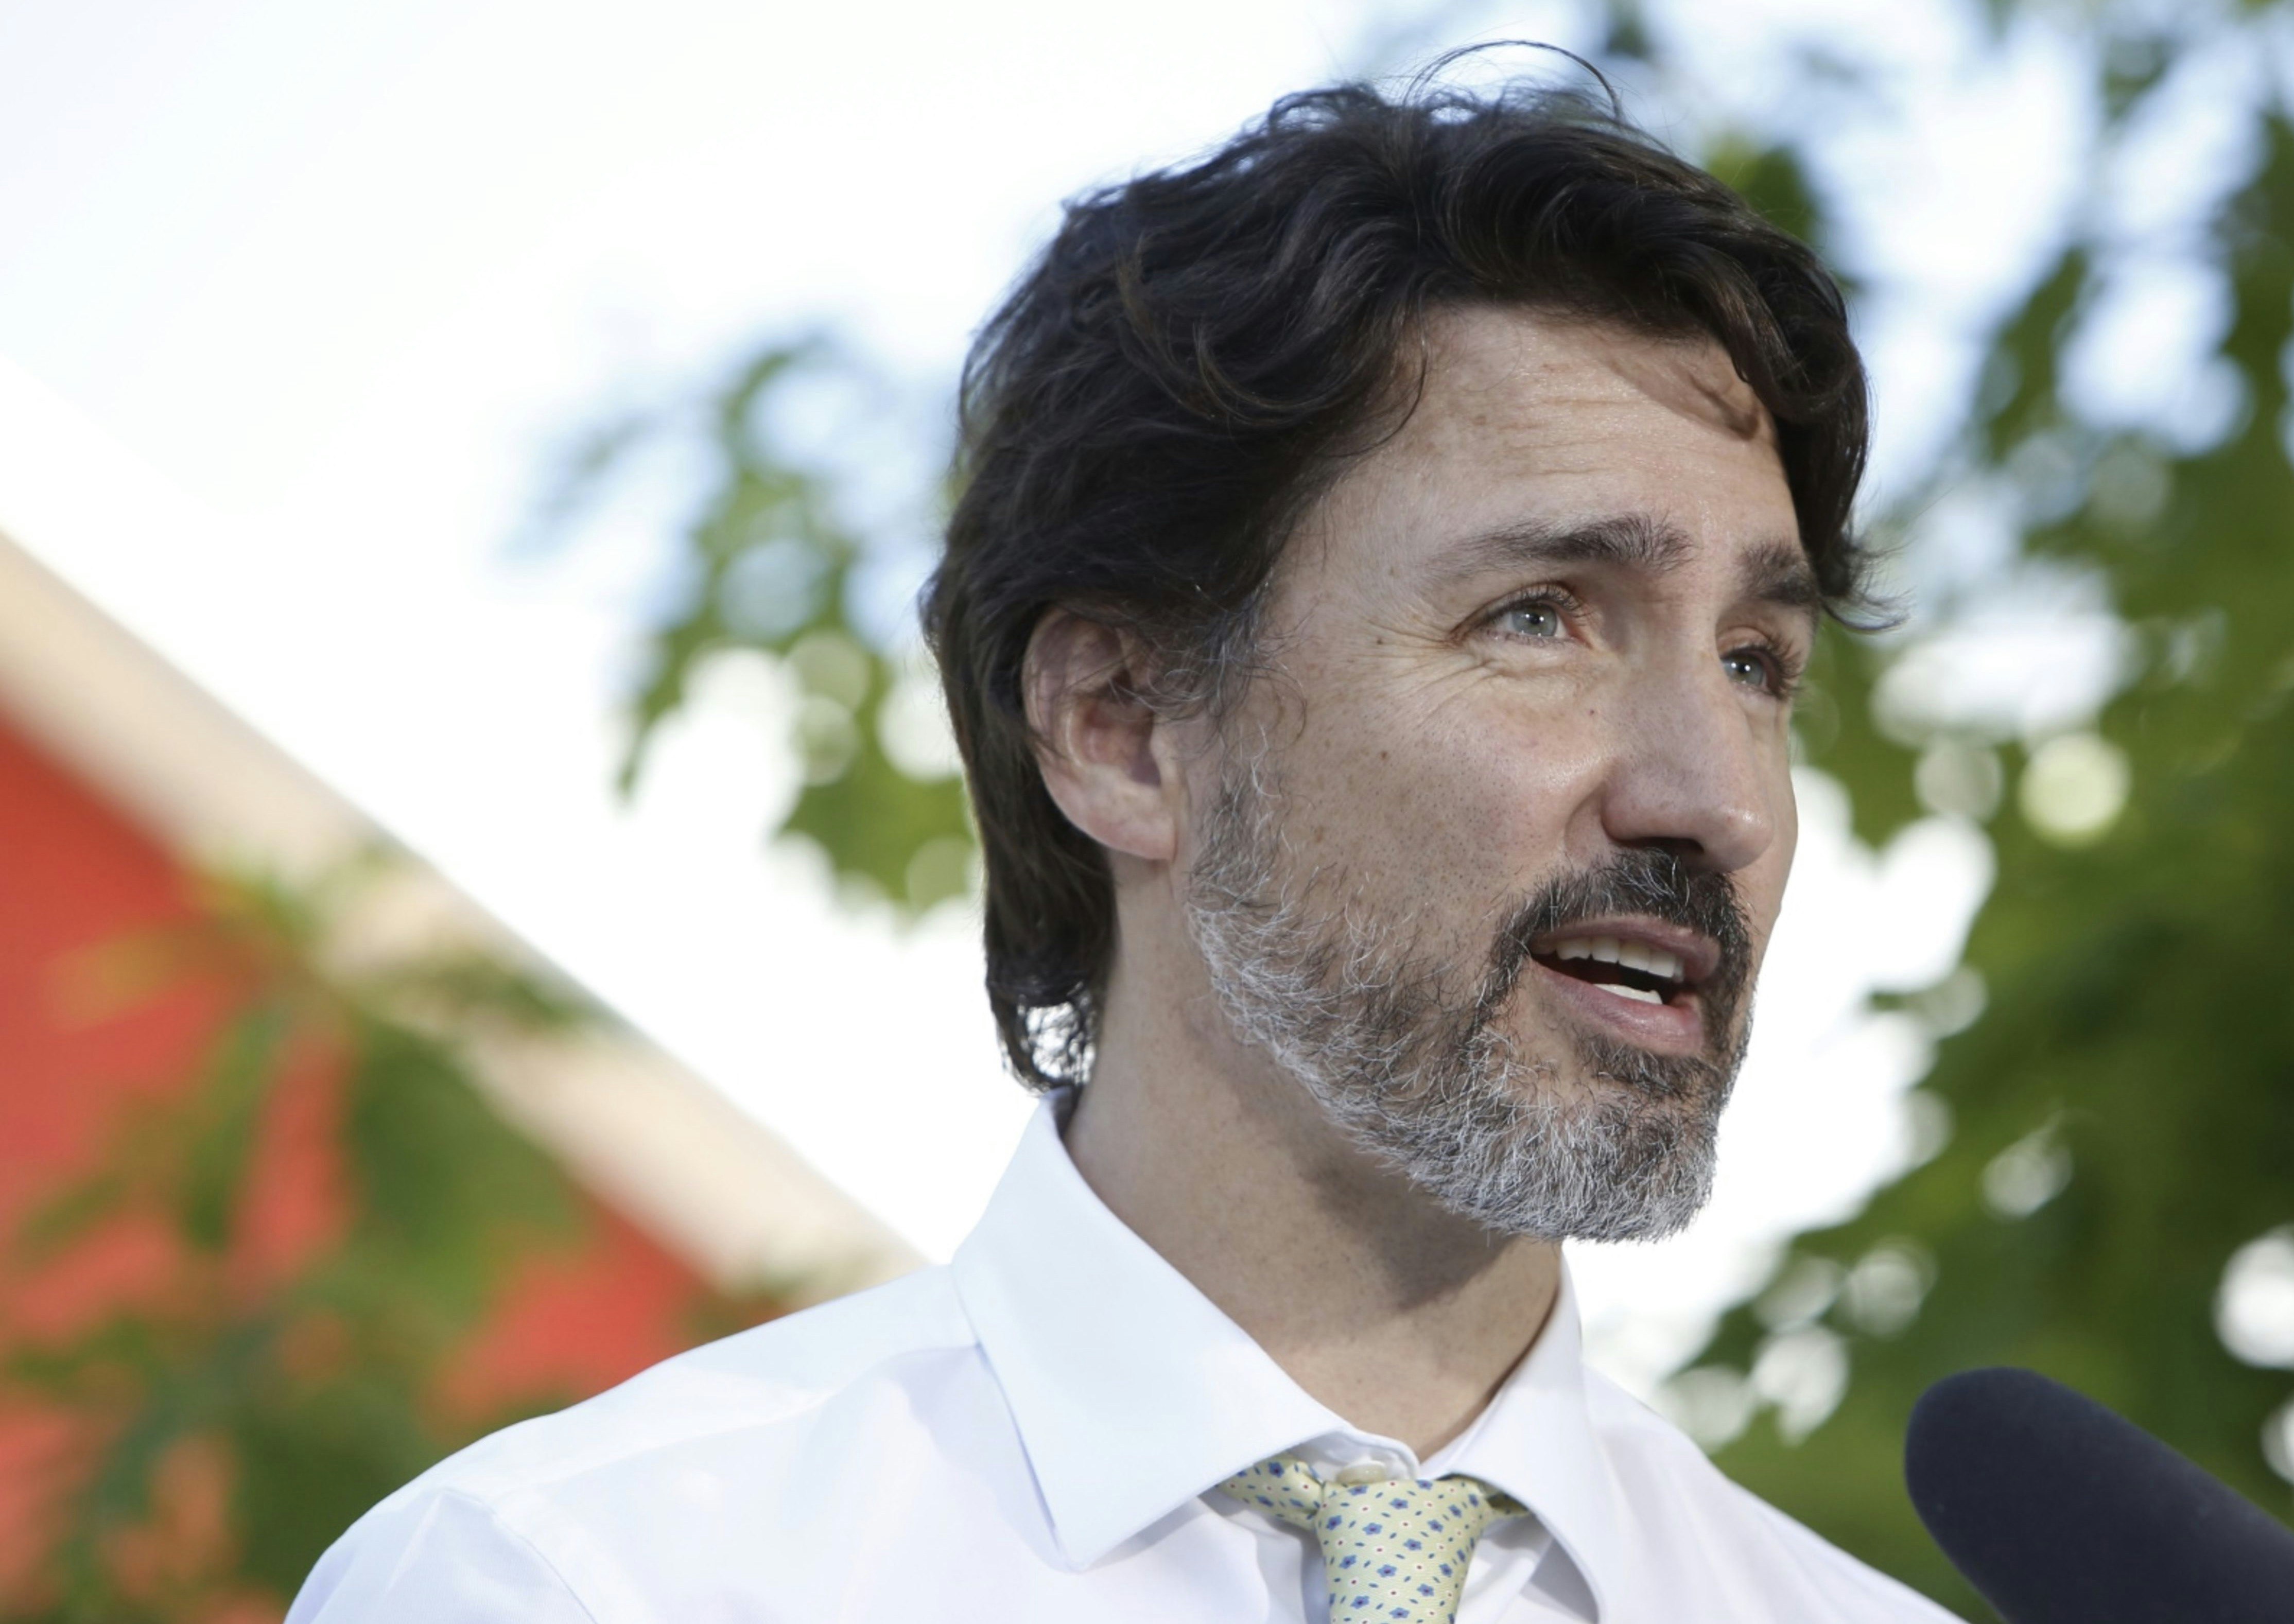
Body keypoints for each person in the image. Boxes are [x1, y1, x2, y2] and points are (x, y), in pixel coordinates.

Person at [288, 65, 1958, 1624]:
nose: (1716, 798)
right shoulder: (580, 1579)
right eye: (1541, 617)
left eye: (1755, 663)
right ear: (1119, 722)